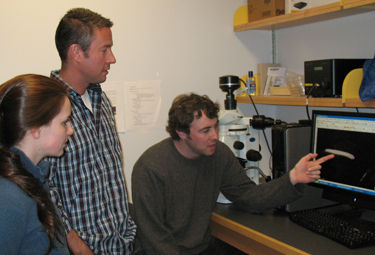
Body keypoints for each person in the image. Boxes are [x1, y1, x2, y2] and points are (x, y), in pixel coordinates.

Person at [131, 93, 335, 255]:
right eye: (205, 131)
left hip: (202, 247)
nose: (215, 136)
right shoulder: (151, 168)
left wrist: (292, 179)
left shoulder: (218, 154)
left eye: (216, 127)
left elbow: (249, 197)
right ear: (182, 133)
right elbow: (154, 238)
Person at [48, 8, 136, 255]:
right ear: (76, 52)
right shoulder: (47, 107)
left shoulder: (100, 98)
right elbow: (41, 186)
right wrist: (73, 243)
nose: (112, 58)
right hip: (81, 248)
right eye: (104, 49)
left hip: (120, 244)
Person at [0, 74, 73, 254]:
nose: (71, 130)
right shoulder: (8, 199)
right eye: (64, 122)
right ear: (36, 128)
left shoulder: (33, 177)